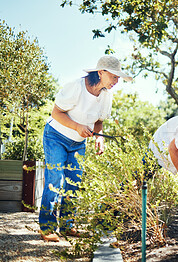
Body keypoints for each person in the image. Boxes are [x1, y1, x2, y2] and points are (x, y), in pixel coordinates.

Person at [39, 56, 132, 242]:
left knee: (74, 183)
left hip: (78, 143)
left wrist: (99, 137)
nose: (117, 81)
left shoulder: (106, 95)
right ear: (101, 72)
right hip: (55, 137)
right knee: (55, 179)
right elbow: (56, 113)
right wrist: (77, 127)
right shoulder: (76, 87)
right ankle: (47, 227)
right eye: (114, 76)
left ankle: (67, 226)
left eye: (118, 78)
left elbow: (99, 121)